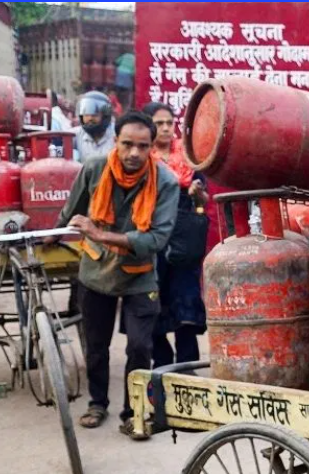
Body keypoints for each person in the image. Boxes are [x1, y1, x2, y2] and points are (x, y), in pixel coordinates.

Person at [52, 111, 181, 438]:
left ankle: (133, 412)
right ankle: (97, 403)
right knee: (96, 345)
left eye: (142, 146)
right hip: (96, 271)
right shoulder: (94, 168)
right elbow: (70, 214)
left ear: (152, 147)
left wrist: (101, 234)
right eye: (127, 144)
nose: (134, 153)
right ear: (116, 142)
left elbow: (157, 239)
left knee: (140, 346)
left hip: (140, 275)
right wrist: (46, 239)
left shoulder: (165, 182)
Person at [140, 102, 209, 368]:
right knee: (153, 298)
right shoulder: (141, 160)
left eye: (170, 123)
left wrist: (198, 197)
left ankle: (188, 369)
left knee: (186, 301)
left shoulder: (190, 157)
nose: (167, 128)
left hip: (183, 241)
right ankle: (162, 363)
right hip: (152, 238)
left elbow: (203, 201)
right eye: (159, 124)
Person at [72, 91, 117, 162]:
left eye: (95, 115)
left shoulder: (117, 133)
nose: (90, 118)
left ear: (105, 116)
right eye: (86, 115)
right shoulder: (76, 134)